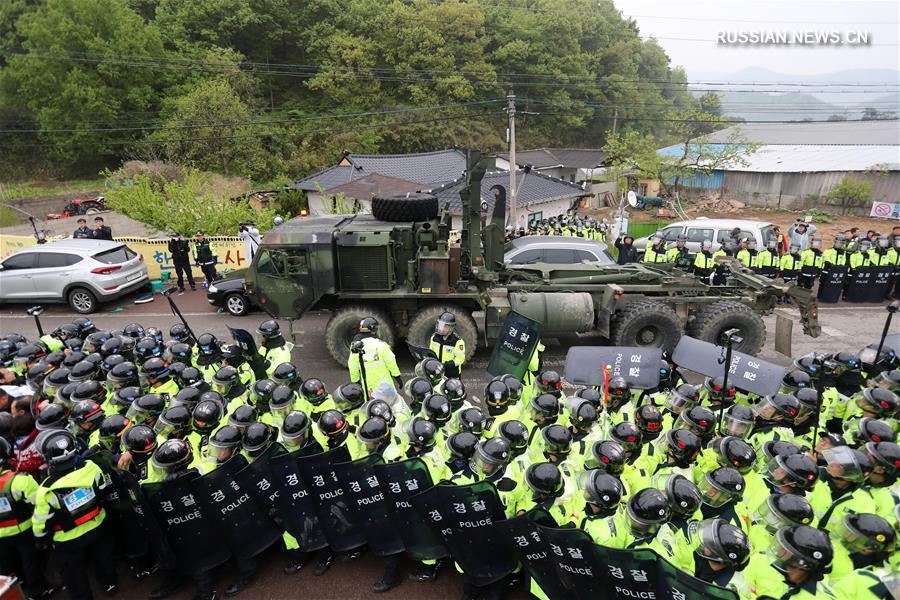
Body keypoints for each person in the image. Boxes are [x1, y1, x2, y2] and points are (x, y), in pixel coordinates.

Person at [32, 430, 117, 599]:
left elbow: (41, 523)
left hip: (68, 541)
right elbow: (105, 491)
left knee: (73, 575)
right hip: (98, 526)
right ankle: (110, 583)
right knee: (104, 558)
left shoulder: (46, 489)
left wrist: (40, 540)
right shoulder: (91, 467)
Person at [348, 317, 401, 395]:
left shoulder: (356, 347)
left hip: (368, 387)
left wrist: (356, 381)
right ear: (373, 330)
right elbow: (391, 361)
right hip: (385, 386)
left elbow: (352, 365)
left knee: (371, 406)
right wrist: (397, 376)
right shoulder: (382, 345)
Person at [429, 312, 466, 378]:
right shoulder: (434, 338)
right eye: (441, 325)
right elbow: (431, 353)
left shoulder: (458, 342)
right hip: (438, 372)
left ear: (451, 328)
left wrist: (446, 365)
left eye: (445, 326)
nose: (442, 328)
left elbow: (460, 359)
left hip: (452, 374)